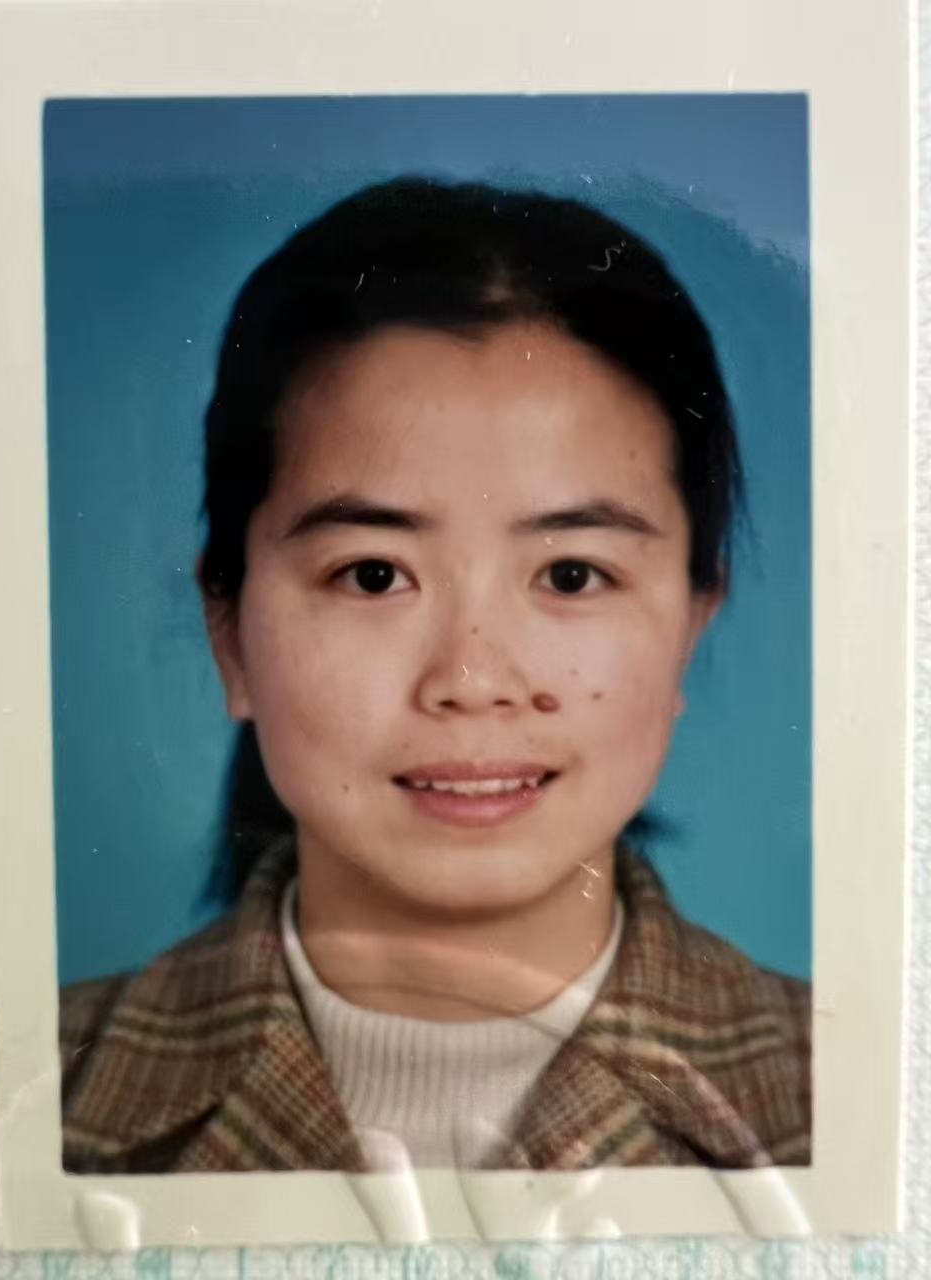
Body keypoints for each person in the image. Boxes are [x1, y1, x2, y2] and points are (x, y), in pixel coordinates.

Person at [59, 177, 811, 1174]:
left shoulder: (861, 1103)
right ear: (229, 631)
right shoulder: (28, 1097)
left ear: (689, 625)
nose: (472, 679)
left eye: (571, 574)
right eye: (374, 574)